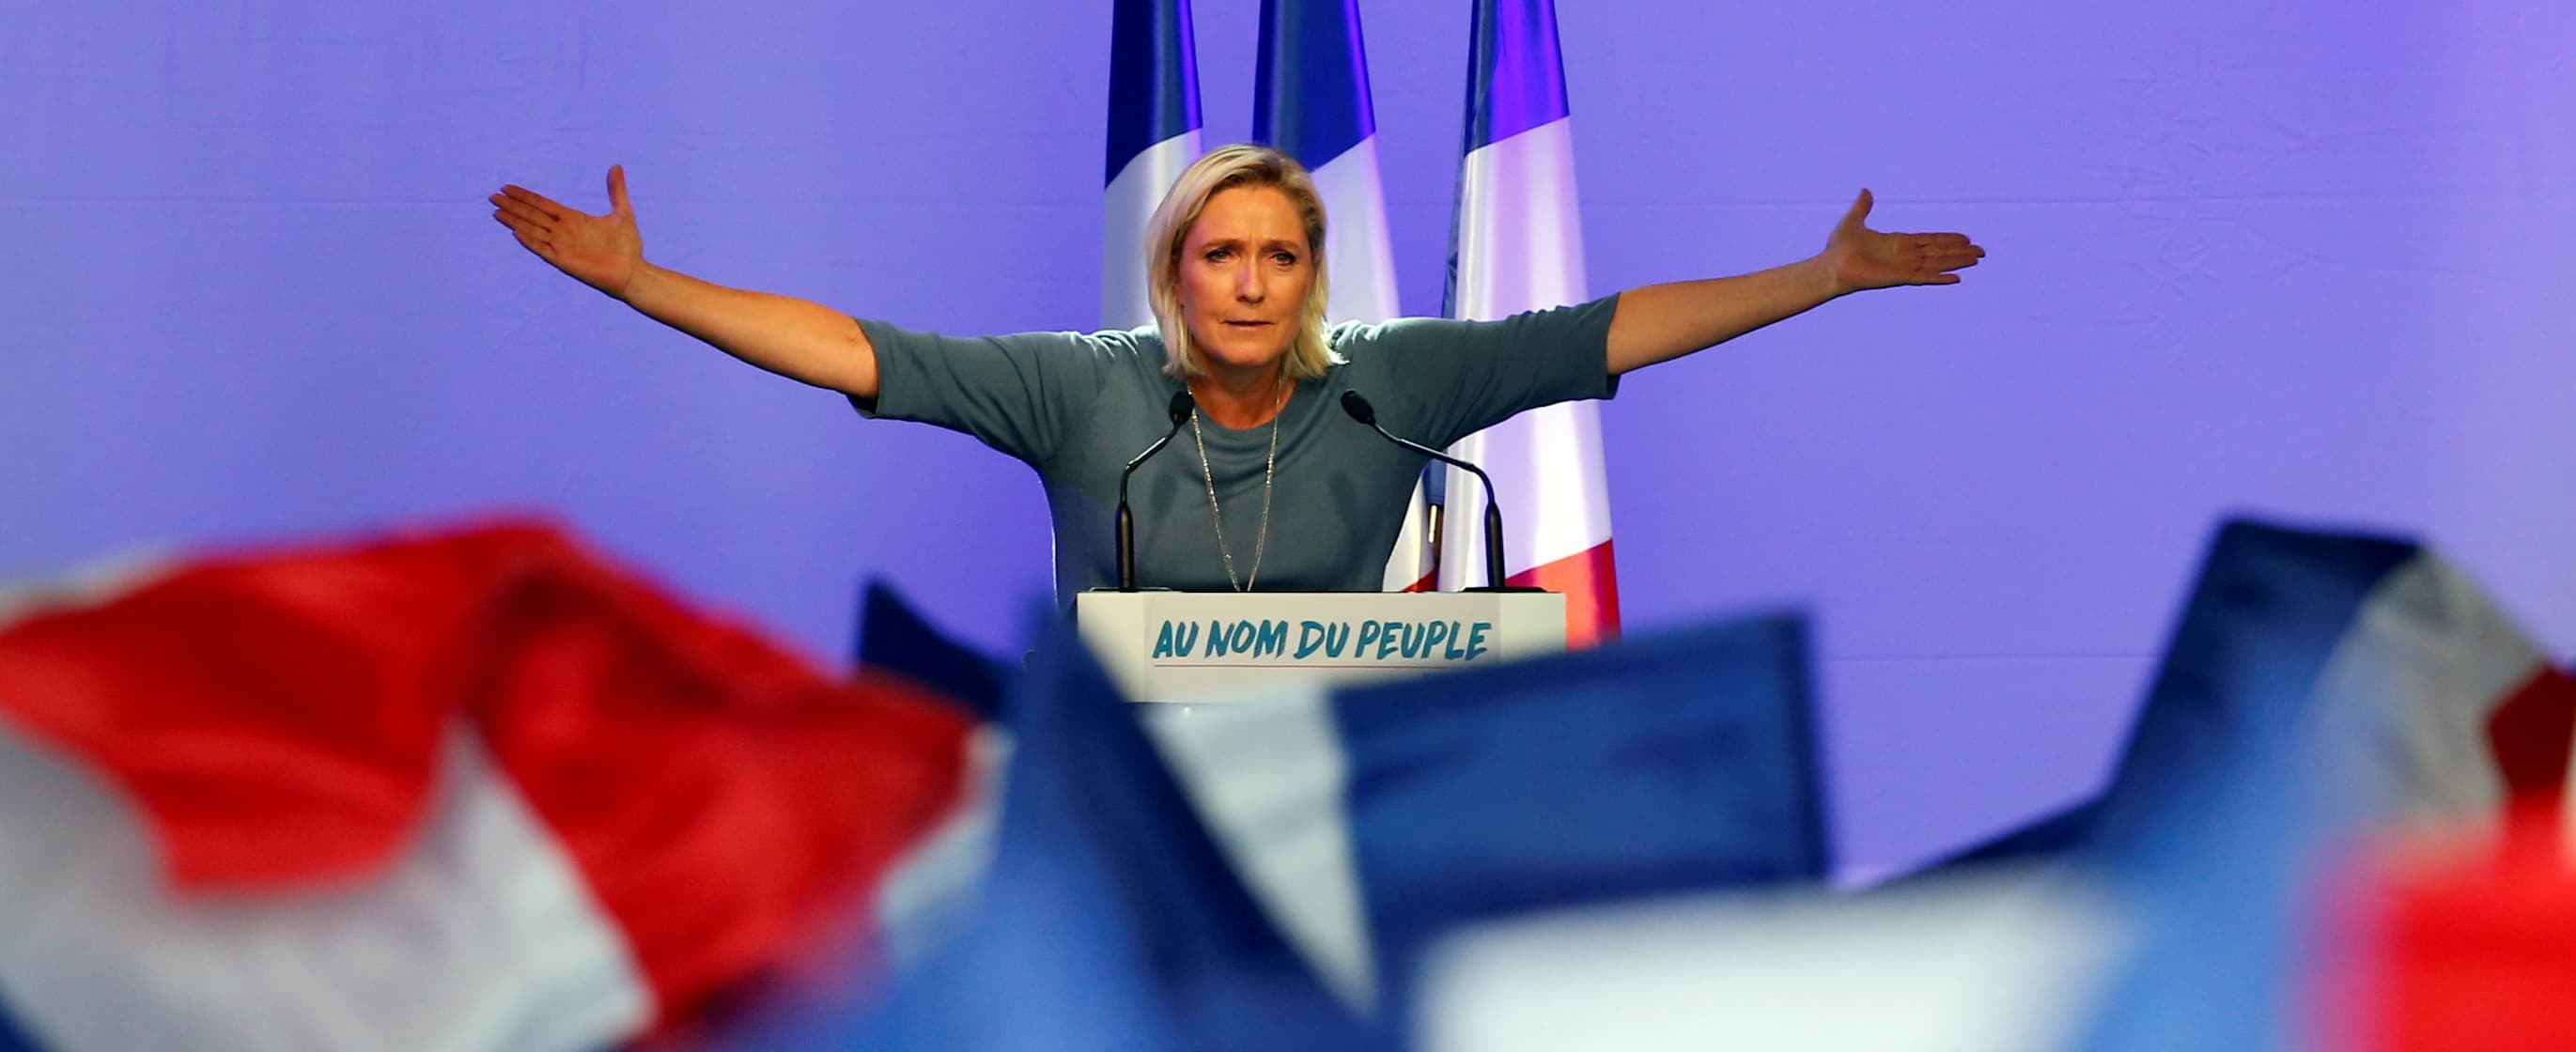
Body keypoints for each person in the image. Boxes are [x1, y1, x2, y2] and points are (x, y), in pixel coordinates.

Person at [490, 146, 1980, 604]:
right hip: (1127, 812)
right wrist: (644, 285)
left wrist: (1817, 277)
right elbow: (855, 354)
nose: (1252, 281)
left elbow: (1608, 329)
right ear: (1174, 276)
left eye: (1278, 256)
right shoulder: (1084, 392)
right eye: (1220, 256)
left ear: (1309, 277)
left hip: (1333, 796)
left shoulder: (1400, 382)